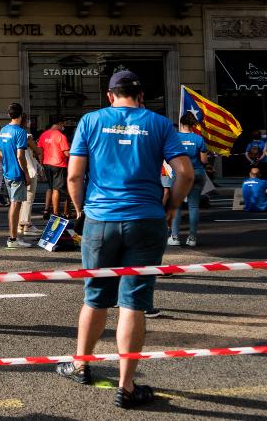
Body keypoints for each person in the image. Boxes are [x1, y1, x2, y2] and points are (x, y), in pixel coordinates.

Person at [59, 70, 193, 410]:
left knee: (95, 297)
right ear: (140, 95)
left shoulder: (90, 121)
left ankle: (81, 365)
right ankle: (126, 385)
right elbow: (185, 173)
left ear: (110, 95)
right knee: (133, 302)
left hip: (101, 220)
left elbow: (74, 174)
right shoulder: (159, 123)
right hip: (147, 218)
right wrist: (171, 208)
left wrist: (81, 210)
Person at [168, 112, 209, 247]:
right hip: (197, 172)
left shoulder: (174, 138)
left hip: (180, 173)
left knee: (177, 206)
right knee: (193, 206)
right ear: (193, 125)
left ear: (181, 123)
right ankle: (192, 238)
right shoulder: (198, 139)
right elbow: (204, 160)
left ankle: (174, 237)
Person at [0, 104, 35, 249]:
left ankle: (13, 237)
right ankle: (13, 239)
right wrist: (26, 173)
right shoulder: (20, 132)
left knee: (13, 205)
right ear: (21, 115)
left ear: (9, 115)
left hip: (7, 172)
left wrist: (8, 159)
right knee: (15, 205)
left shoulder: (3, 130)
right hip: (17, 173)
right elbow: (21, 156)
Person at [39, 118, 71, 220]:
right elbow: (67, 153)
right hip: (59, 164)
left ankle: (46, 209)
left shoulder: (43, 135)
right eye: (63, 125)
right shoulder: (61, 136)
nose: (63, 127)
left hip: (46, 164)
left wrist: (41, 163)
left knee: (50, 187)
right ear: (59, 124)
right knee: (57, 189)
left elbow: (40, 151)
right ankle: (56, 212)